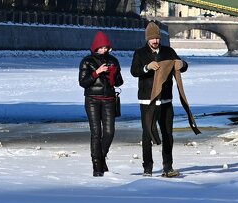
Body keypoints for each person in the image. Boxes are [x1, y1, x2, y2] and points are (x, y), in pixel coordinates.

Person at [131, 21, 188, 177]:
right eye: (152, 39)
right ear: (147, 39)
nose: (155, 41)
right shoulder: (140, 53)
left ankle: (168, 167)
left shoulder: (169, 52)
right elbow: (134, 71)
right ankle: (147, 168)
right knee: (147, 134)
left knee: (168, 134)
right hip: (147, 100)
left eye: (157, 38)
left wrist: (181, 64)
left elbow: (184, 66)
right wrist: (147, 67)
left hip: (165, 100)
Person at [78, 30, 123, 177]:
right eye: (101, 48)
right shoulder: (87, 61)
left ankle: (101, 157)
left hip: (109, 100)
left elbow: (119, 82)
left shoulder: (113, 60)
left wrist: (114, 74)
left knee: (109, 132)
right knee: (96, 133)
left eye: (106, 48)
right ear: (95, 47)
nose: (103, 50)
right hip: (92, 100)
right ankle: (97, 166)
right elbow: (83, 82)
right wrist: (96, 72)